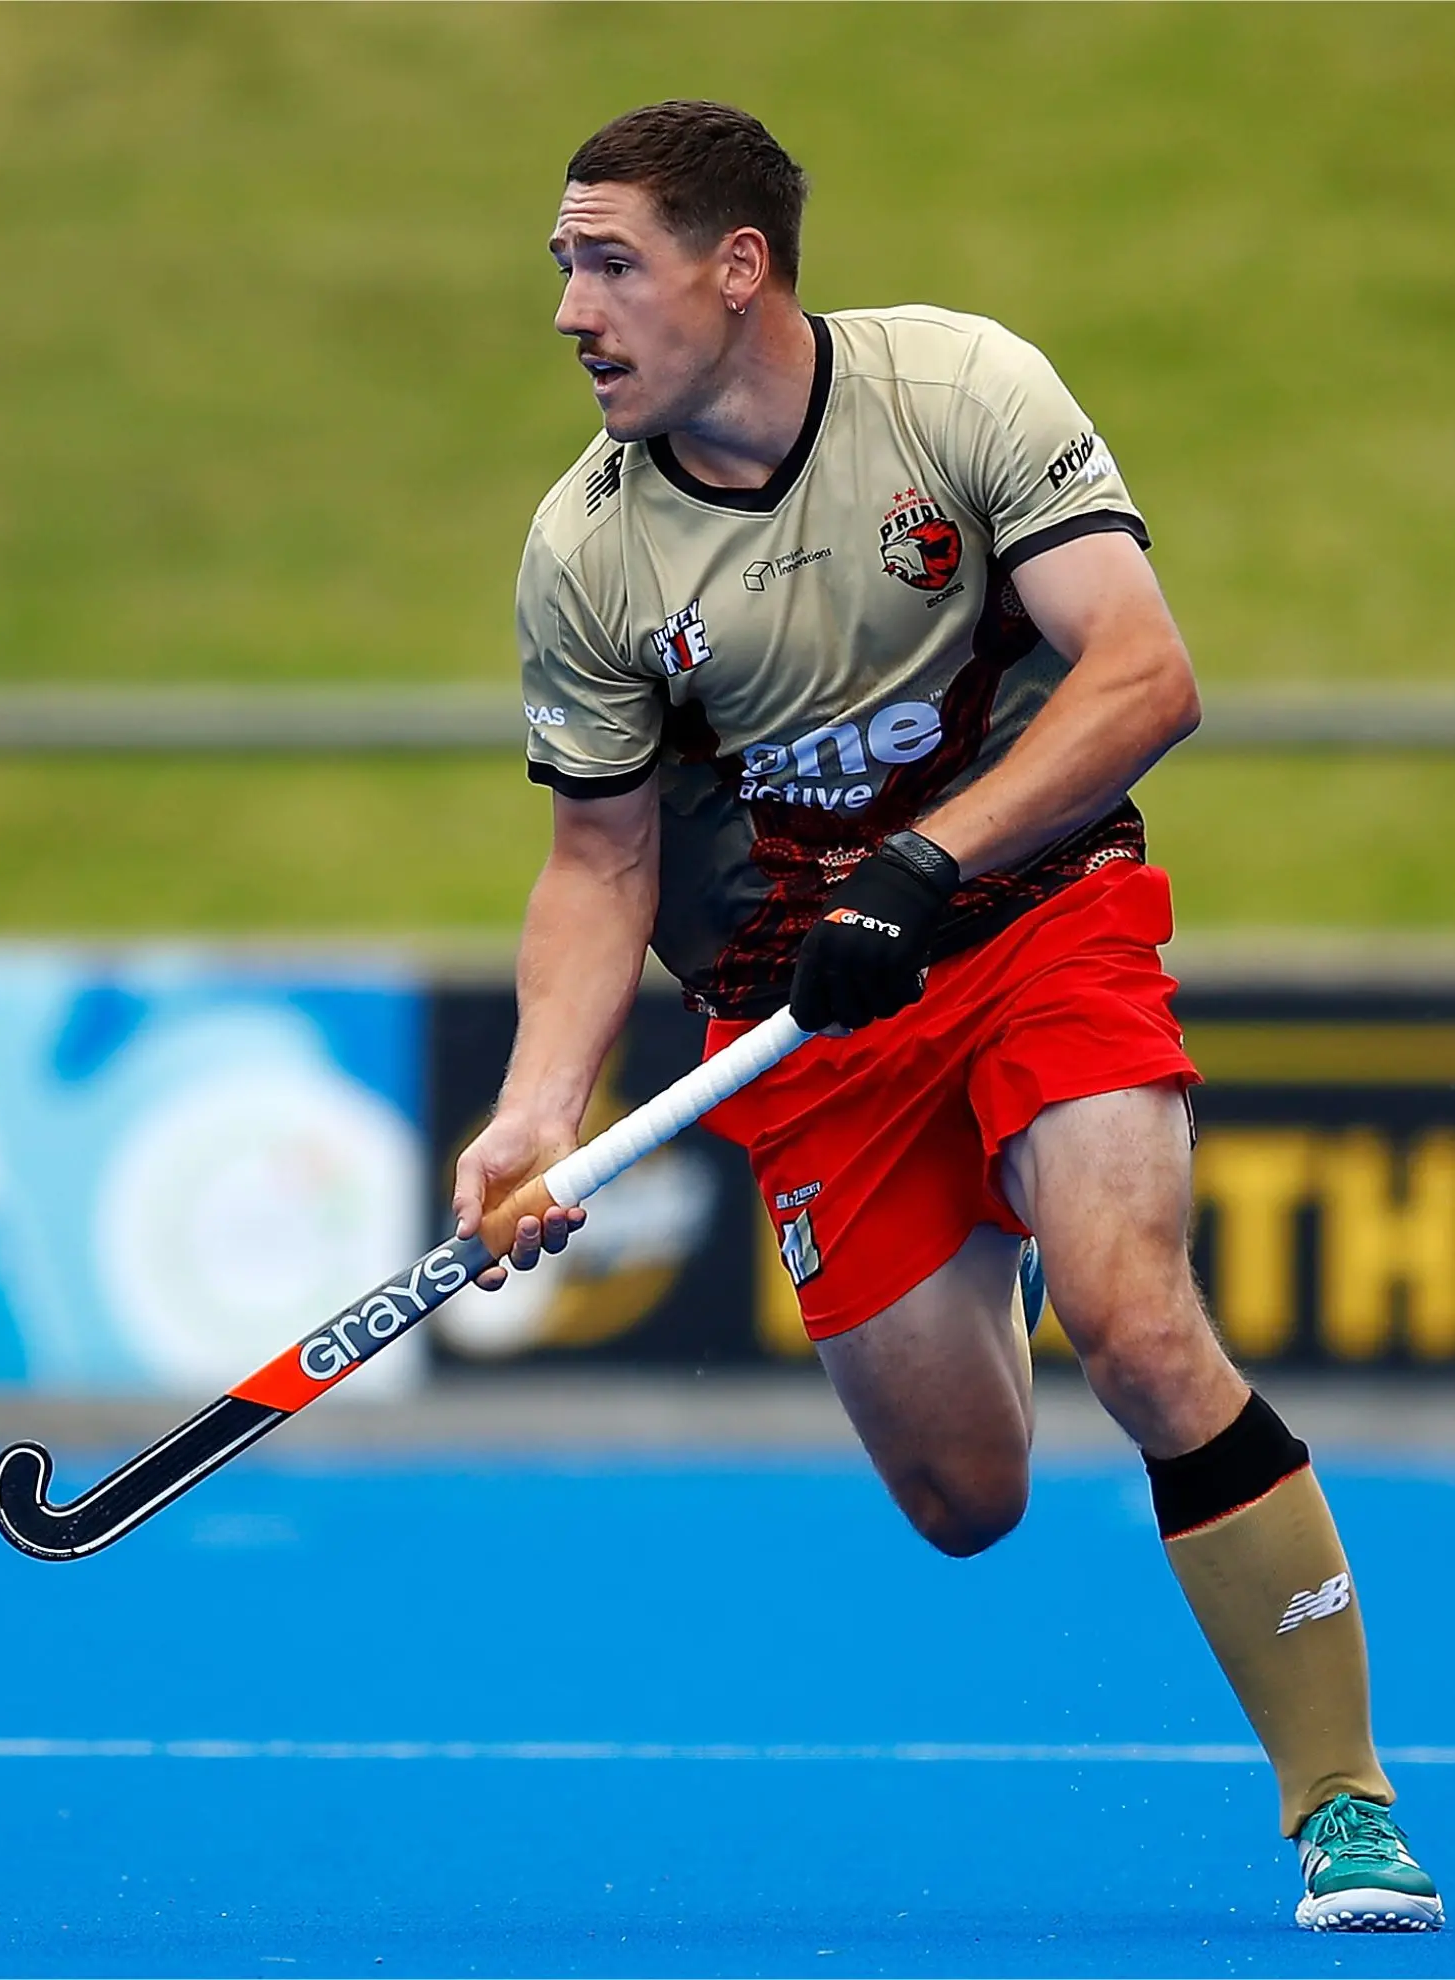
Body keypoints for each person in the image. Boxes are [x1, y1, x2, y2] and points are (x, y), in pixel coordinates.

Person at [457, 100, 1437, 1933]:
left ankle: (1344, 1805)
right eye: (563, 268)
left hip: (1035, 919)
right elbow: (597, 864)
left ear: (735, 268)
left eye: (608, 265)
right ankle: (1009, 1202)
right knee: (964, 1498)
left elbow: (1143, 675)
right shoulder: (586, 551)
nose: (571, 312)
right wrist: (534, 1108)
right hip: (805, 1023)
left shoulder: (954, 394)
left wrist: (923, 864)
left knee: (1136, 1328)